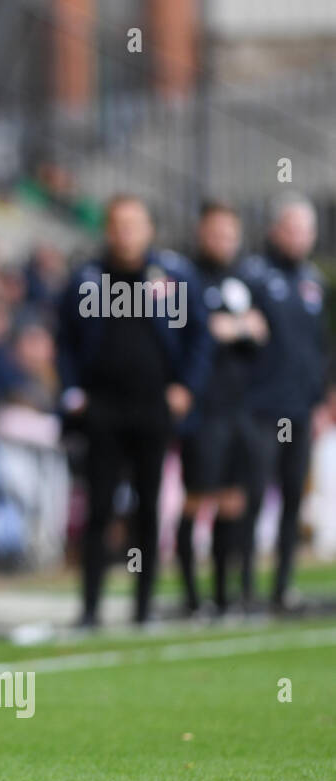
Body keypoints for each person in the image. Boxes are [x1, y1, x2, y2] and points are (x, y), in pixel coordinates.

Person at [56, 195, 209, 628]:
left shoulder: (174, 275)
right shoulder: (86, 277)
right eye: (118, 224)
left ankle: (143, 608)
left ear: (149, 229)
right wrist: (72, 391)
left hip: (153, 407)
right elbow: (64, 338)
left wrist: (185, 388)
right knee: (98, 507)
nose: (125, 232)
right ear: (108, 229)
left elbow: (200, 334)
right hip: (101, 408)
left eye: (134, 224)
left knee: (148, 507)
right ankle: (90, 607)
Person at [175, 203, 268, 616]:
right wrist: (232, 327)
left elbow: (258, 331)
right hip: (204, 409)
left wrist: (235, 328)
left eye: (230, 234)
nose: (223, 242)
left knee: (233, 500)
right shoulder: (187, 277)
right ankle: (191, 597)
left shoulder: (243, 279)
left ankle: (224, 595)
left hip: (239, 408)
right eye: (215, 233)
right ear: (201, 233)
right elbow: (198, 332)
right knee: (198, 499)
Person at [240, 194, 331, 612]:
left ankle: (282, 586)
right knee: (254, 494)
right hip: (260, 407)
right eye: (291, 228)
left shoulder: (313, 282)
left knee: (294, 496)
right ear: (276, 230)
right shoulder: (254, 275)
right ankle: (243, 586)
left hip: (300, 409)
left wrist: (320, 399)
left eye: (305, 230)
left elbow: (318, 347)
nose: (298, 238)